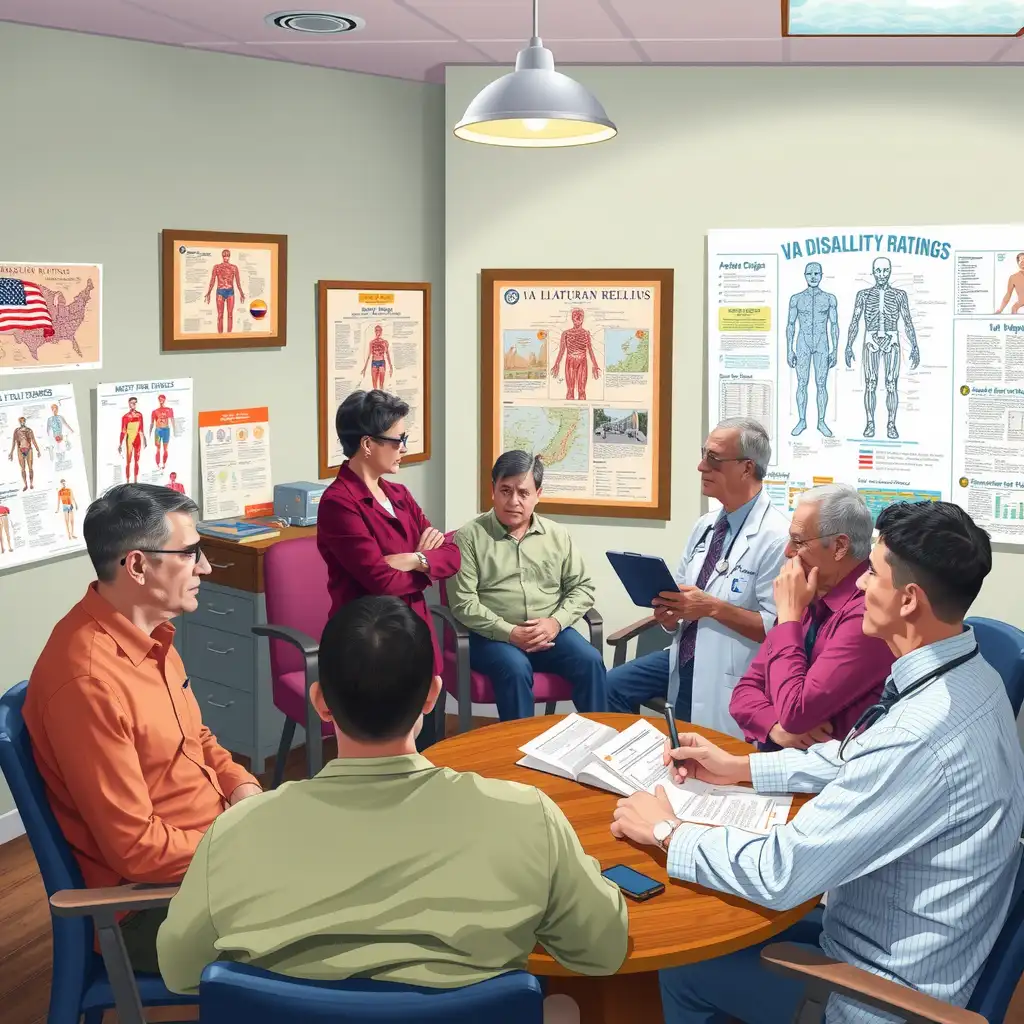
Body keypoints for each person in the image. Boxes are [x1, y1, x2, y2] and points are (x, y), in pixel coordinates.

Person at [610, 500, 1024, 1024]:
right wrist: (739, 768)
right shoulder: (975, 675)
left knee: (684, 965)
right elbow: (856, 759)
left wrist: (667, 830)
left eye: (873, 574)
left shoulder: (919, 737)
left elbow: (782, 873)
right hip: (910, 939)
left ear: (909, 599)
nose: (861, 586)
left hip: (880, 993)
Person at [157, 596, 628, 1023]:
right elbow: (601, 951)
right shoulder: (527, 817)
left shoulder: (237, 832)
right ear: (432, 694)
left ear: (319, 701)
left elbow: (179, 970)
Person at [23, 483, 261, 973]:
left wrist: (244, 791)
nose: (206, 568)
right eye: (192, 553)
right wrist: (243, 842)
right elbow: (137, 851)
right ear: (137, 565)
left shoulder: (152, 637)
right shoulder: (87, 682)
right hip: (153, 907)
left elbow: (198, 741)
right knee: (338, 911)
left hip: (210, 856)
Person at [606, 418, 789, 738]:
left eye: (714, 459)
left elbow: (775, 628)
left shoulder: (777, 537)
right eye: (704, 454)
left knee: (704, 747)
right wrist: (668, 614)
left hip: (733, 667)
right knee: (610, 687)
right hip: (684, 653)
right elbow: (679, 592)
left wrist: (711, 608)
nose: (701, 466)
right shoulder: (705, 525)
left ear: (747, 468)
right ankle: (637, 763)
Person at [316, 389, 460, 749]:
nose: (405, 448)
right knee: (384, 755)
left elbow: (453, 555)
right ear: (367, 444)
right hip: (371, 646)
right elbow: (380, 581)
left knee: (425, 748)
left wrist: (415, 559)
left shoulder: (399, 495)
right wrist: (427, 564)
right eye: (399, 440)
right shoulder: (338, 504)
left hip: (416, 634)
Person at [729, 484, 893, 750]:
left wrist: (790, 617)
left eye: (798, 541)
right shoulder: (807, 593)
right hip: (778, 760)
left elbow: (796, 712)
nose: (788, 553)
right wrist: (773, 726)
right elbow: (744, 692)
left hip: (830, 777)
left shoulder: (867, 612)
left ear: (840, 546)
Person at [448, 451, 607, 721]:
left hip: (549, 632)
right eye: (505, 491)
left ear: (538, 494)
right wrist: (510, 632)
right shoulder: (469, 537)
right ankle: (516, 752)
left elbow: (582, 588)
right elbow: (464, 603)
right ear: (492, 491)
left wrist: (555, 623)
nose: (513, 502)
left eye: (523, 493)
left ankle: (598, 745)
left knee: (590, 661)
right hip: (491, 637)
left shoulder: (556, 535)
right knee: (515, 667)